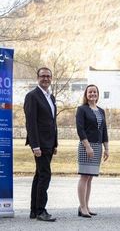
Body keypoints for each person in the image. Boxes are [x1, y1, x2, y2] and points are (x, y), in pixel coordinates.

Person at [24, 67, 57, 222]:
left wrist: (55, 143)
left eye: (48, 76)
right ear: (37, 77)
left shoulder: (51, 97)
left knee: (39, 175)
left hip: (49, 143)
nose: (46, 78)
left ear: (51, 78)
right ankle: (41, 210)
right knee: (45, 175)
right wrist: (35, 145)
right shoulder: (32, 96)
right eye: (43, 76)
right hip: (40, 144)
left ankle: (33, 210)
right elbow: (31, 123)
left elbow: (52, 122)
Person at [76, 84, 109, 218]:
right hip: (86, 146)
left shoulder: (101, 111)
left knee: (90, 178)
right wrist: (87, 146)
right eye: (90, 92)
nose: (92, 94)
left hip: (98, 146)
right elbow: (80, 129)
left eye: (95, 92)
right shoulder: (82, 109)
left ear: (97, 94)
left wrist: (106, 148)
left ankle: (86, 206)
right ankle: (82, 207)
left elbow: (104, 130)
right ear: (86, 94)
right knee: (84, 176)